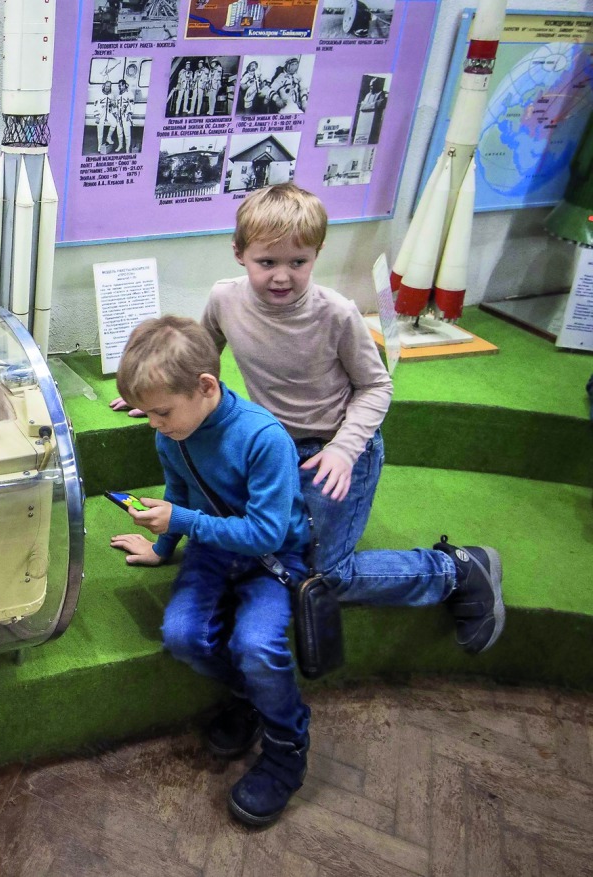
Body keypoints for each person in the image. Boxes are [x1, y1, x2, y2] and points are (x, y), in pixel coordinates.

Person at [197, 183, 504, 657]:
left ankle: (456, 570)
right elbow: (202, 355)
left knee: (327, 574)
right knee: (271, 553)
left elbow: (377, 386)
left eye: (298, 262)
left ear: (317, 254)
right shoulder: (223, 298)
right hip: (275, 448)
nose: (282, 276)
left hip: (338, 448)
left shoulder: (337, 313)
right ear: (239, 253)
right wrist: (172, 396)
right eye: (267, 261)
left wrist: (343, 449)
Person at [110, 315, 314, 826]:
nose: (154, 424)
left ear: (206, 386)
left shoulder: (264, 438)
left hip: (272, 561)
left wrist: (181, 521)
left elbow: (267, 534)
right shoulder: (173, 432)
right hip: (211, 550)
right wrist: (163, 546)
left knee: (257, 645)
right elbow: (178, 490)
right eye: (147, 414)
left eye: (161, 412)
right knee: (182, 636)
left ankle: (287, 746)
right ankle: (250, 697)